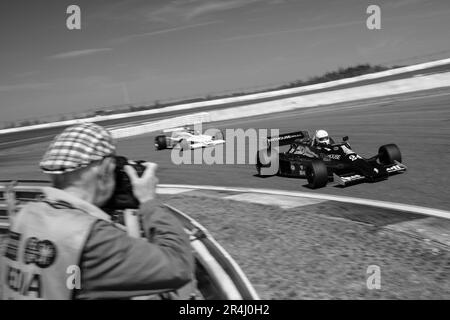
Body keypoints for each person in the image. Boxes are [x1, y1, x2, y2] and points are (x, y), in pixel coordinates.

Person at [0, 123, 194, 300]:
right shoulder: (91, 236)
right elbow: (178, 266)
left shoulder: (26, 215)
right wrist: (149, 201)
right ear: (105, 170)